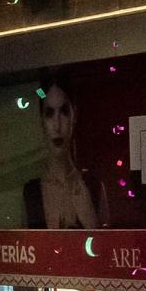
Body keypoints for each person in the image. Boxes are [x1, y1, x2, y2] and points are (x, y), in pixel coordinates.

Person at [22, 77, 104, 228]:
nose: (57, 125)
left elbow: (109, 247)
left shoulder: (94, 187)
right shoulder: (31, 193)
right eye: (49, 113)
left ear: (74, 116)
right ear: (42, 121)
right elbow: (25, 249)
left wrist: (89, 220)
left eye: (64, 112)